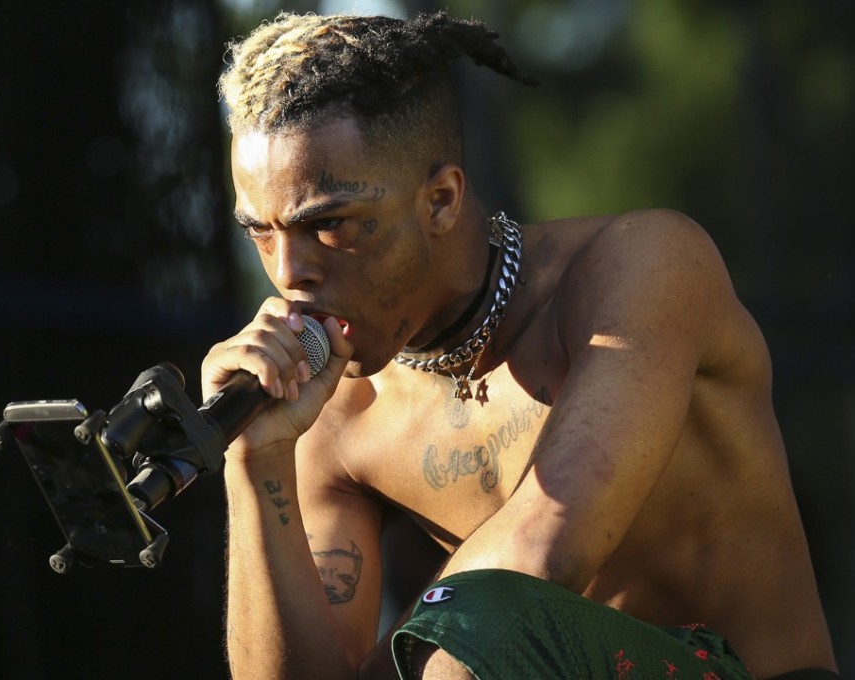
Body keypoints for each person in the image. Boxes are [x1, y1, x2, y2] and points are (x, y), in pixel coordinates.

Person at [205, 11, 838, 680]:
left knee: (471, 636)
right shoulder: (336, 412)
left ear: (442, 201)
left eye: (329, 224)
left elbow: (544, 555)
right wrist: (257, 459)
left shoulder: (644, 267)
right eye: (262, 234)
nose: (288, 273)